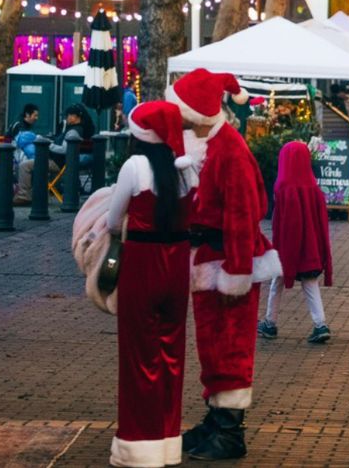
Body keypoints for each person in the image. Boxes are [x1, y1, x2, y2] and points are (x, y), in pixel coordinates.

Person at [170, 69, 280, 461]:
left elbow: (242, 214)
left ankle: (231, 430)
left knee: (231, 345)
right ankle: (217, 418)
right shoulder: (206, 146)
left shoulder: (229, 150)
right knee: (213, 344)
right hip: (210, 261)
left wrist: (237, 271)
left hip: (228, 264)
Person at [106, 101, 197, 467]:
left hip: (141, 263)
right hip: (177, 264)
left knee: (138, 354)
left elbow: (113, 221)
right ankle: (167, 440)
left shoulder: (133, 167)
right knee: (171, 351)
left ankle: (138, 444)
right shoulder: (186, 171)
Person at [259, 141, 334, 345]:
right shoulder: (314, 187)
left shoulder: (282, 187)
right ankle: (320, 324)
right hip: (310, 248)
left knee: (277, 282)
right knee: (310, 283)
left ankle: (270, 322)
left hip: (287, 247)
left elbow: (281, 223)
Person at [11, 104, 41, 205]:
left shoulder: (25, 125)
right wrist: (36, 137)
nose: (37, 118)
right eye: (35, 115)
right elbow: (22, 142)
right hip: (15, 157)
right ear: (27, 115)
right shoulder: (19, 126)